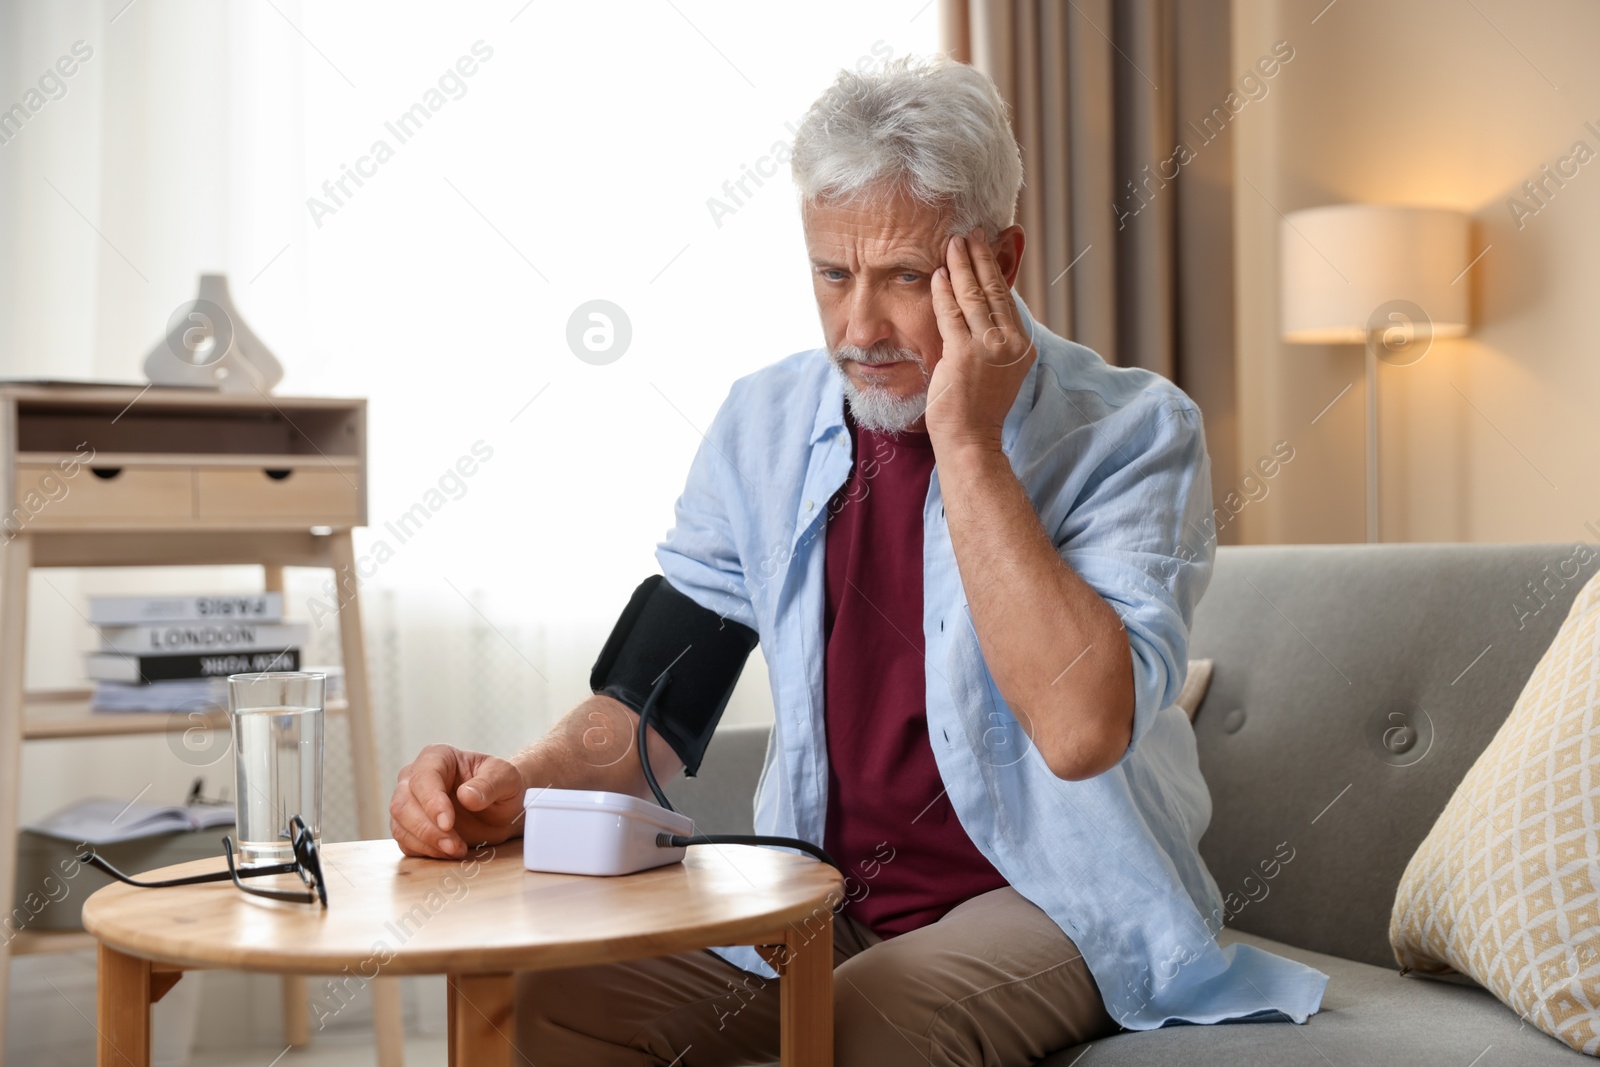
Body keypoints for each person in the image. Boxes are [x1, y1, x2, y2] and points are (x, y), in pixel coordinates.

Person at [389, 52, 1328, 1066]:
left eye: (905, 279)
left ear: (999, 262)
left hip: (1052, 899)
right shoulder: (761, 423)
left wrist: (965, 441)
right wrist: (517, 784)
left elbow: (1079, 727)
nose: (859, 326)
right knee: (549, 994)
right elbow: (650, 705)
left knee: (868, 1022)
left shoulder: (1136, 431)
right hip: (817, 894)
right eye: (832, 274)